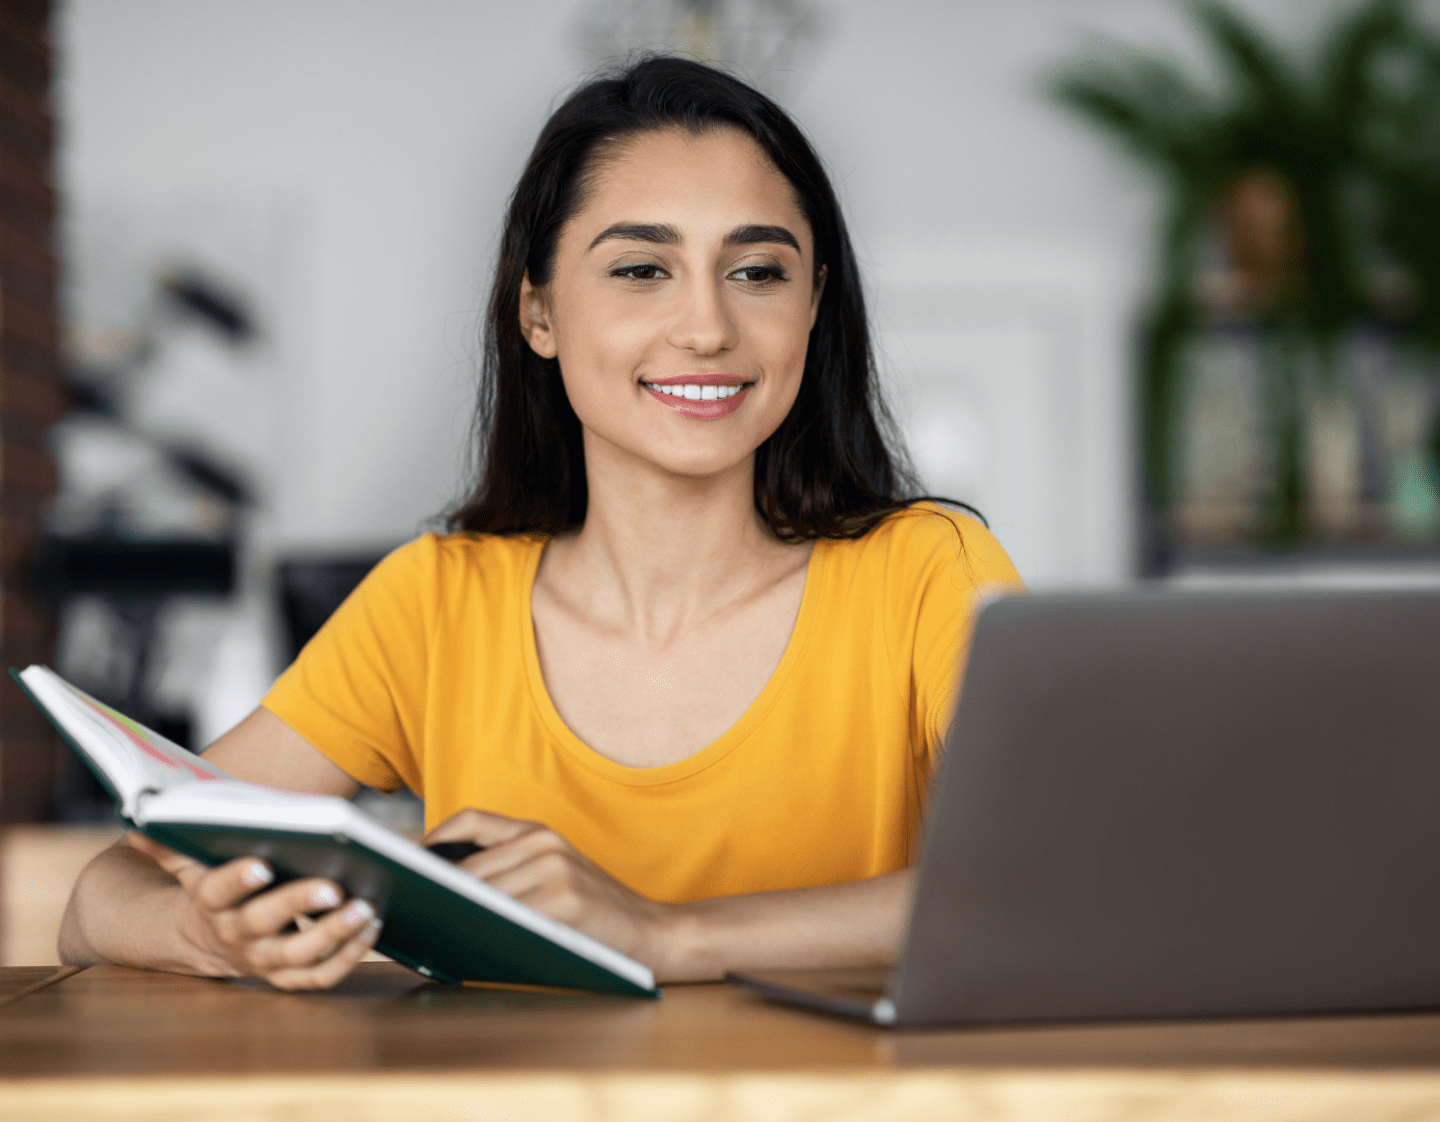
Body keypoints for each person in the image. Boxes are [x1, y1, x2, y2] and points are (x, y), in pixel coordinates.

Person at [58, 55, 1023, 991]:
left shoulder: (928, 574)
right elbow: (103, 894)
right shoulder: (437, 603)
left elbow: (1066, 878)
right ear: (539, 312)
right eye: (642, 269)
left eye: (758, 272)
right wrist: (208, 930)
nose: (707, 327)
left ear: (814, 306)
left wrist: (665, 935)